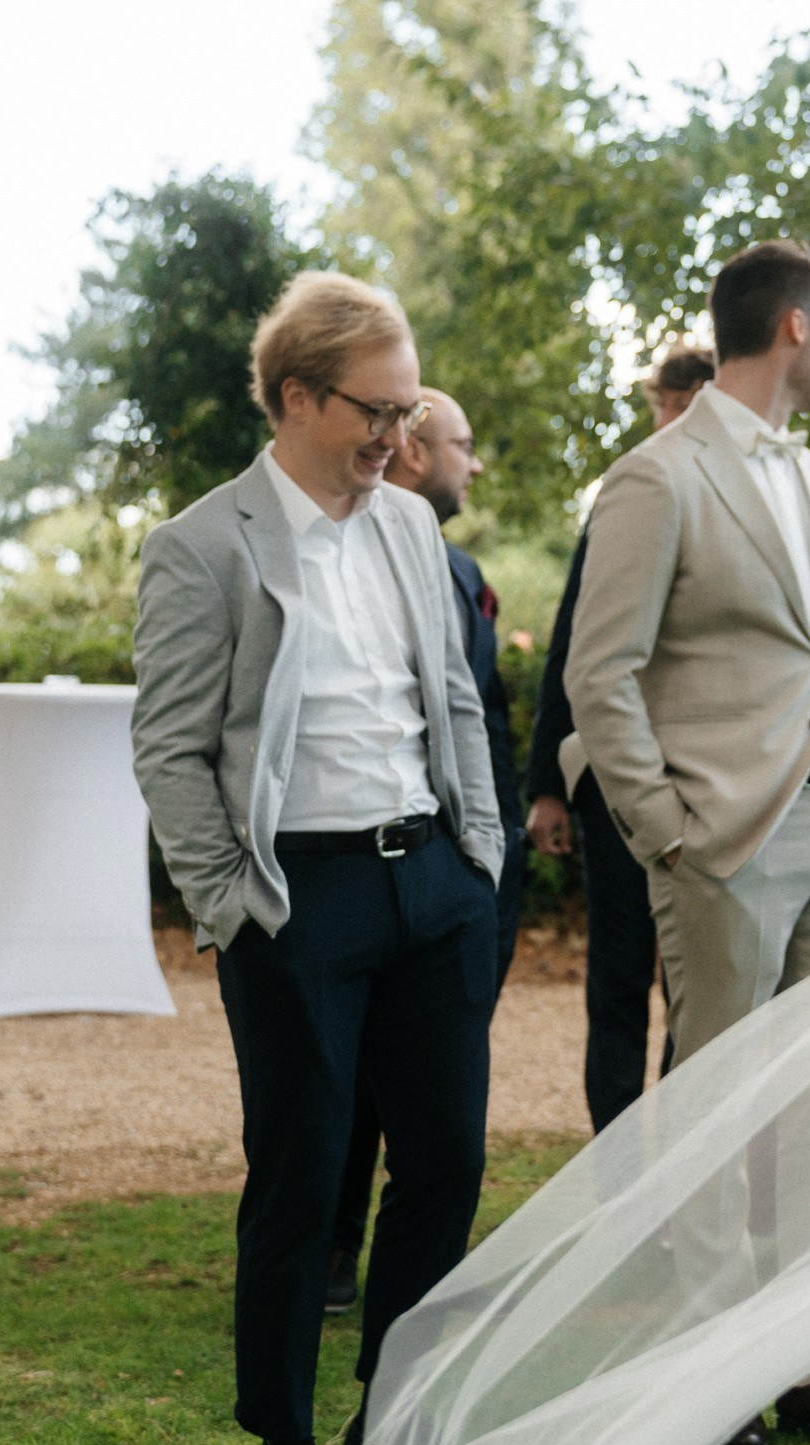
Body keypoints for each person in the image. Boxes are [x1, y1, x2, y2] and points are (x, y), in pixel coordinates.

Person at [131, 272, 504, 1445]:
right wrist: (234, 908)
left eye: (408, 414)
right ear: (296, 396)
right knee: (301, 1173)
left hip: (435, 893)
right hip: (298, 900)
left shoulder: (408, 528)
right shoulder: (203, 544)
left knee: (448, 1162)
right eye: (376, 411)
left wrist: (483, 862)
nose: (399, 440)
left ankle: (384, 1422)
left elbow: (453, 698)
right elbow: (171, 753)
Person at [565, 241, 810, 1445]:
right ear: (790, 328)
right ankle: (713, 1372)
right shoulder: (654, 481)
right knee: (718, 1101)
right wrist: (664, 832)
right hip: (724, 836)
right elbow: (596, 674)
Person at [325, 387, 525, 1315]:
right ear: (410, 448)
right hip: (398, 860)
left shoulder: (462, 565)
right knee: (361, 1073)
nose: (473, 463)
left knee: (439, 1088)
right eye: (462, 443)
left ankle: (411, 1279)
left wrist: (486, 854)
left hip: (464, 864)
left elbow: (478, 708)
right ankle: (334, 1253)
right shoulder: (364, 555)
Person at [525, 344, 714, 1131]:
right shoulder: (626, 495)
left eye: (679, 404)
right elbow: (573, 644)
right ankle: (616, 1158)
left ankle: (673, 1155)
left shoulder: (736, 497)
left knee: (695, 985)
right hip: (611, 779)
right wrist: (545, 785)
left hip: (708, 780)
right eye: (660, 406)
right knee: (616, 975)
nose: (665, 420)